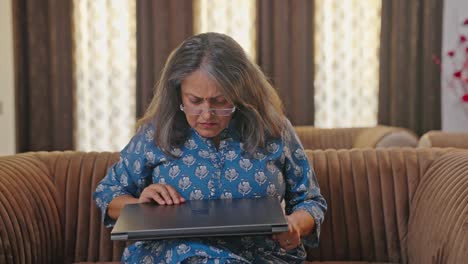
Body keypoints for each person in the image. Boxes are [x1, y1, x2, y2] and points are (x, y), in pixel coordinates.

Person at [94, 32, 327, 263]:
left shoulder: (274, 130)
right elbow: (107, 194)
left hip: (259, 255)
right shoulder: (155, 134)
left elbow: (310, 200)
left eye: (220, 101)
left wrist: (295, 224)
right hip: (173, 254)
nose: (207, 115)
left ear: (240, 94)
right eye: (194, 101)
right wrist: (140, 206)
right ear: (178, 95)